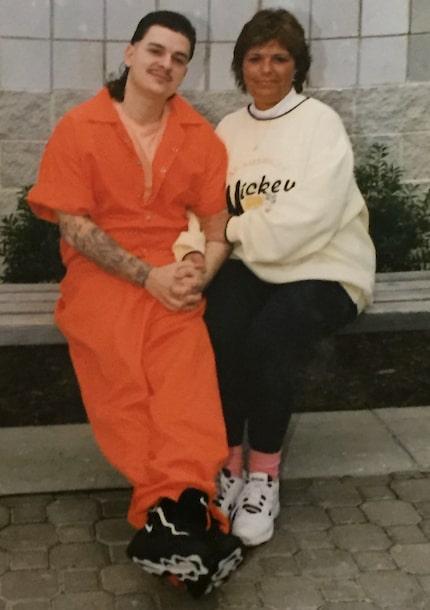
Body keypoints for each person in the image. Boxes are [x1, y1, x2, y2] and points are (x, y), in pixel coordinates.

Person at [26, 10, 243, 597]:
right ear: (129, 54)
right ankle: (186, 518)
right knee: (125, 381)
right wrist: (147, 277)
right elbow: (74, 227)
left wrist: (198, 276)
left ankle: (177, 523)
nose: (164, 64)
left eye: (178, 58)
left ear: (186, 70)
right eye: (155, 50)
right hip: (104, 276)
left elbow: (220, 227)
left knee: (185, 382)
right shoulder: (81, 126)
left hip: (172, 275)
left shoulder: (198, 136)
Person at [198, 8, 376, 547]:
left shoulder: (319, 123)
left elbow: (313, 217)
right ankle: (230, 465)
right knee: (218, 326)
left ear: (297, 66)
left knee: (269, 336)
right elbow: (208, 211)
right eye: (255, 58)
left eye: (280, 58)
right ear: (240, 66)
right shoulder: (228, 128)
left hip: (325, 264)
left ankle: (264, 477)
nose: (267, 69)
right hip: (255, 264)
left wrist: (236, 229)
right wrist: (208, 245)